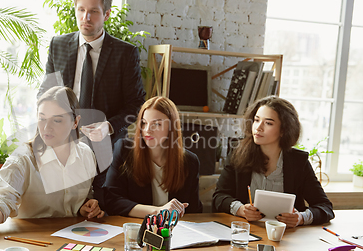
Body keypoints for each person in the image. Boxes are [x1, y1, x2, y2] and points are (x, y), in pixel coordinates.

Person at [38, 0, 145, 205]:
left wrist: (109, 126)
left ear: (106, 14)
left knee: (98, 205)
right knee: (60, 203)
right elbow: (46, 93)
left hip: (104, 144)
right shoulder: (58, 44)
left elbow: (136, 104)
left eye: (93, 11)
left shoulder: (125, 53)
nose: (86, 17)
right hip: (62, 139)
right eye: (81, 10)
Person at [0, 86, 104, 237]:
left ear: (75, 122)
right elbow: (2, 198)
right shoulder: (23, 159)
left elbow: (84, 195)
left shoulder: (86, 155)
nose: (46, 127)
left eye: (57, 120)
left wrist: (85, 206)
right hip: (33, 241)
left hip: (73, 239)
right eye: (42, 118)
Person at [212, 96, 334, 227]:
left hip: (285, 236)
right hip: (245, 232)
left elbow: (325, 207)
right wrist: (240, 209)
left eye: (268, 123)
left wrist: (301, 218)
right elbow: (219, 197)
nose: (258, 128)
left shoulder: (298, 162)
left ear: (283, 130)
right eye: (256, 120)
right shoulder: (237, 153)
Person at [103, 96, 203, 218]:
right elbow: (112, 200)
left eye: (156, 124)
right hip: (135, 229)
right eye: (144, 123)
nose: (147, 130)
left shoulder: (190, 162)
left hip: (175, 232)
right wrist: (158, 211)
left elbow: (194, 211)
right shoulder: (124, 149)